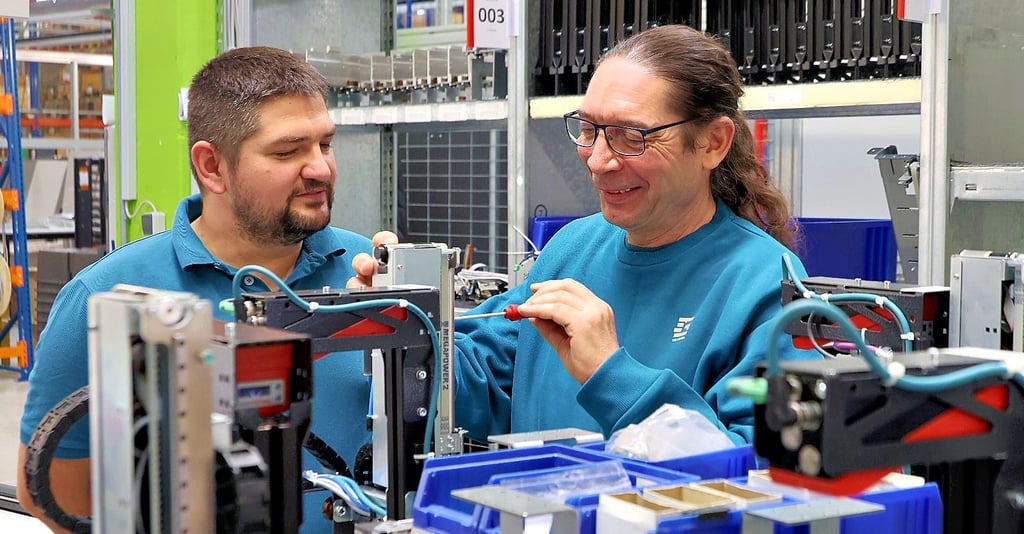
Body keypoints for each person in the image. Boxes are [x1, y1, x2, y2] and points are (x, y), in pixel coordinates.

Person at [352, 25, 815, 446]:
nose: (597, 161)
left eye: (631, 136)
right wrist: (405, 325)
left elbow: (763, 470)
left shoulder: (763, 283)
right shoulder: (574, 248)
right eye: (589, 130)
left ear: (713, 142)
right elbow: (477, 386)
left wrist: (610, 373)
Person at [18, 47, 371, 534]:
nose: (320, 170)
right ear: (211, 167)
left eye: (325, 144)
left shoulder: (369, 274)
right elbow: (56, 495)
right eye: (288, 151)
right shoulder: (104, 296)